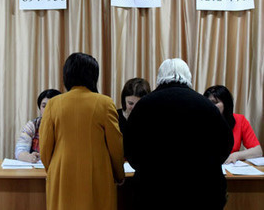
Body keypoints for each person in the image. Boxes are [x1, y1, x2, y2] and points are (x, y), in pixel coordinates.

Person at [124, 58, 233, 209]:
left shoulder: (144, 105)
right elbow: (225, 145)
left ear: (159, 77)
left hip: (153, 192)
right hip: (202, 192)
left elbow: (130, 150)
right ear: (188, 77)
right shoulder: (206, 105)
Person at [40, 53, 124, 210]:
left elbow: (45, 148)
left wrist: (52, 170)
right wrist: (119, 174)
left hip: (62, 174)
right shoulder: (105, 103)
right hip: (97, 176)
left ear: (67, 75)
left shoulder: (53, 104)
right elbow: (116, 146)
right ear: (94, 76)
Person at [204, 85, 262, 164]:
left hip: (230, 168)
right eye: (208, 102)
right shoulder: (201, 120)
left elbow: (258, 151)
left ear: (226, 103)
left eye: (215, 102)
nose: (210, 106)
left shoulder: (240, 120)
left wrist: (236, 155)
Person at [15, 89, 61, 163]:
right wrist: (29, 157)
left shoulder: (66, 126)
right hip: (36, 168)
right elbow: (20, 150)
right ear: (40, 108)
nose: (47, 109)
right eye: (44, 106)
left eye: (52, 105)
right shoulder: (33, 125)